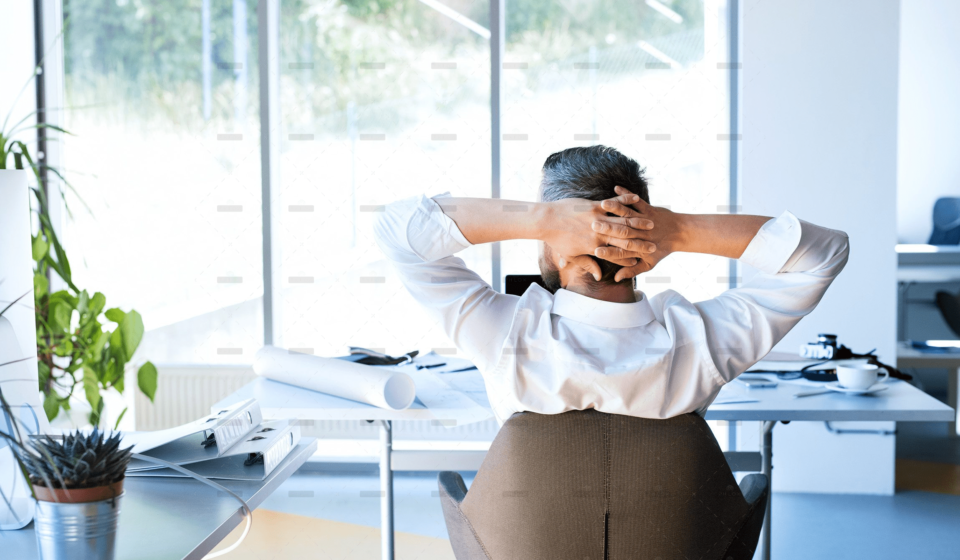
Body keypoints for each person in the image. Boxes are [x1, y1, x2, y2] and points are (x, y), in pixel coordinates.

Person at [373, 145, 849, 423]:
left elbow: (398, 230)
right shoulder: (705, 341)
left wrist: (540, 219)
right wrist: (677, 229)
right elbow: (826, 253)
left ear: (555, 242)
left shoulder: (503, 335)